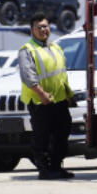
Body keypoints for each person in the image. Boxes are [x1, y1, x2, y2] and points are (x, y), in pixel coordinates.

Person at [18, 12, 74, 180]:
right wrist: (41, 94)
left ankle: (56, 167)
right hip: (40, 101)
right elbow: (28, 76)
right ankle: (45, 170)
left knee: (62, 134)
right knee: (41, 137)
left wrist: (68, 95)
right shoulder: (27, 50)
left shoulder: (55, 47)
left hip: (59, 101)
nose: (43, 30)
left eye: (45, 26)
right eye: (39, 27)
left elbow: (60, 74)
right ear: (32, 30)